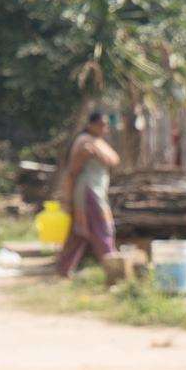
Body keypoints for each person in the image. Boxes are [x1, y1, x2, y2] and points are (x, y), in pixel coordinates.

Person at [54, 112, 121, 278]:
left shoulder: (96, 141)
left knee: (79, 232)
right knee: (103, 230)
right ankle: (115, 273)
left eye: (106, 125)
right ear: (90, 124)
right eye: (100, 124)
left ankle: (62, 270)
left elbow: (114, 159)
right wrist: (67, 199)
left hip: (95, 191)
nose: (104, 128)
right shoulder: (84, 142)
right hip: (89, 192)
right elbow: (72, 172)